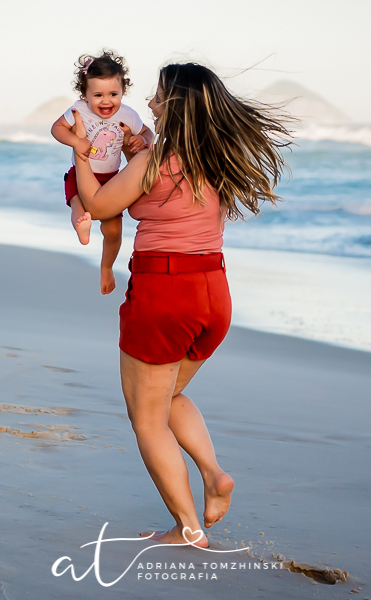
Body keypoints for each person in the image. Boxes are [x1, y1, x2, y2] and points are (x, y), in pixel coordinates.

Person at [69, 62, 291, 547]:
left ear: (177, 106)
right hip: (213, 295)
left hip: (164, 294)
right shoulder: (215, 161)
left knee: (145, 417)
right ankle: (213, 474)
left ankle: (189, 529)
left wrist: (80, 152)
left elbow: (101, 204)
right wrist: (138, 151)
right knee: (166, 397)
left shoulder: (153, 165)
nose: (149, 103)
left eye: (158, 96)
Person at [51, 50, 154, 295]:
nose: (106, 101)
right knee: (77, 201)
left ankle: (106, 267)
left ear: (122, 92)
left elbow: (148, 133)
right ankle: (81, 225)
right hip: (81, 173)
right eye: (97, 95)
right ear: (85, 95)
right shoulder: (78, 110)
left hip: (112, 179)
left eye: (113, 94)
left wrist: (141, 140)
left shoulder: (128, 114)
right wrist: (75, 142)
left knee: (113, 230)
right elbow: (57, 128)